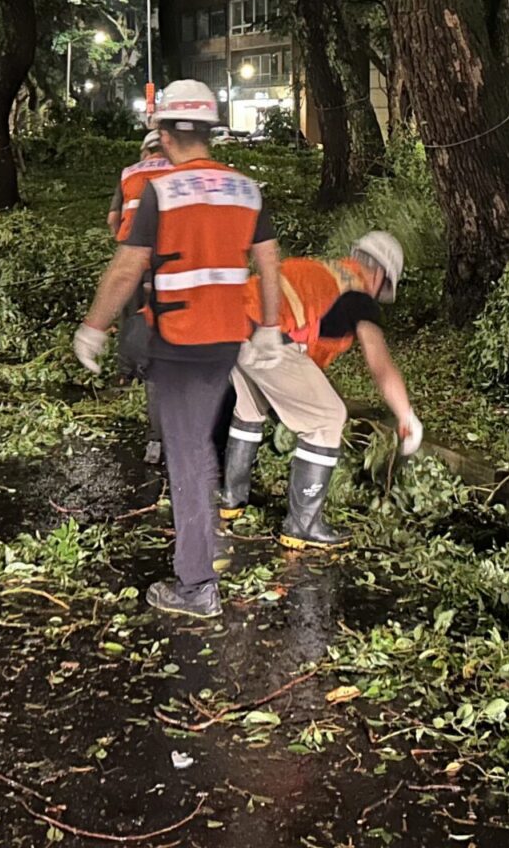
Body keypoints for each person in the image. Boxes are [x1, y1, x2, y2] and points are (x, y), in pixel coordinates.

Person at [73, 80, 283, 620]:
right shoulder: (247, 190)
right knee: (195, 450)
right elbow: (268, 264)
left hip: (177, 341)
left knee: (186, 457)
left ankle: (196, 585)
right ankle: (199, 559)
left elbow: (126, 268)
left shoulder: (164, 192)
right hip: (225, 340)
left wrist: (94, 327)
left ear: (164, 134)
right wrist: (270, 328)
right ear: (210, 131)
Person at [220, 231, 425, 548]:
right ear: (381, 273)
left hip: (231, 325)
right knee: (329, 417)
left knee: (250, 408)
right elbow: (380, 364)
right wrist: (406, 416)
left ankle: (231, 500)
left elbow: (305, 352)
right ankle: (302, 526)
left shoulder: (324, 273)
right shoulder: (357, 295)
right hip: (266, 338)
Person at [109, 130, 177, 464]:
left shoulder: (129, 173)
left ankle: (128, 370)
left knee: (131, 313)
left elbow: (113, 218)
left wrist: (123, 244)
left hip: (132, 254)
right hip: (165, 255)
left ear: (144, 150)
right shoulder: (178, 172)